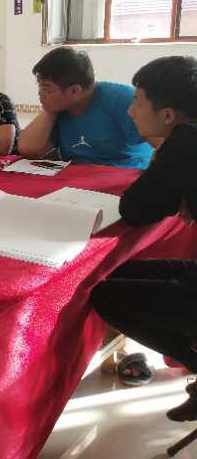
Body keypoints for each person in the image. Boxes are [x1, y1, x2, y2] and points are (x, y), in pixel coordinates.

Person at [89, 56, 197, 418]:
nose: (130, 111)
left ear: (167, 114)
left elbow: (137, 208)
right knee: (115, 273)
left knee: (105, 295)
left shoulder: (185, 142)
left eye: (137, 101)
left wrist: (166, 155)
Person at [18, 47, 153, 168]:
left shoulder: (122, 100)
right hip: (78, 179)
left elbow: (161, 142)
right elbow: (28, 149)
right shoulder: (59, 109)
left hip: (124, 173)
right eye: (39, 86)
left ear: (74, 91)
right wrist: (49, 111)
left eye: (46, 89)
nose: (40, 94)